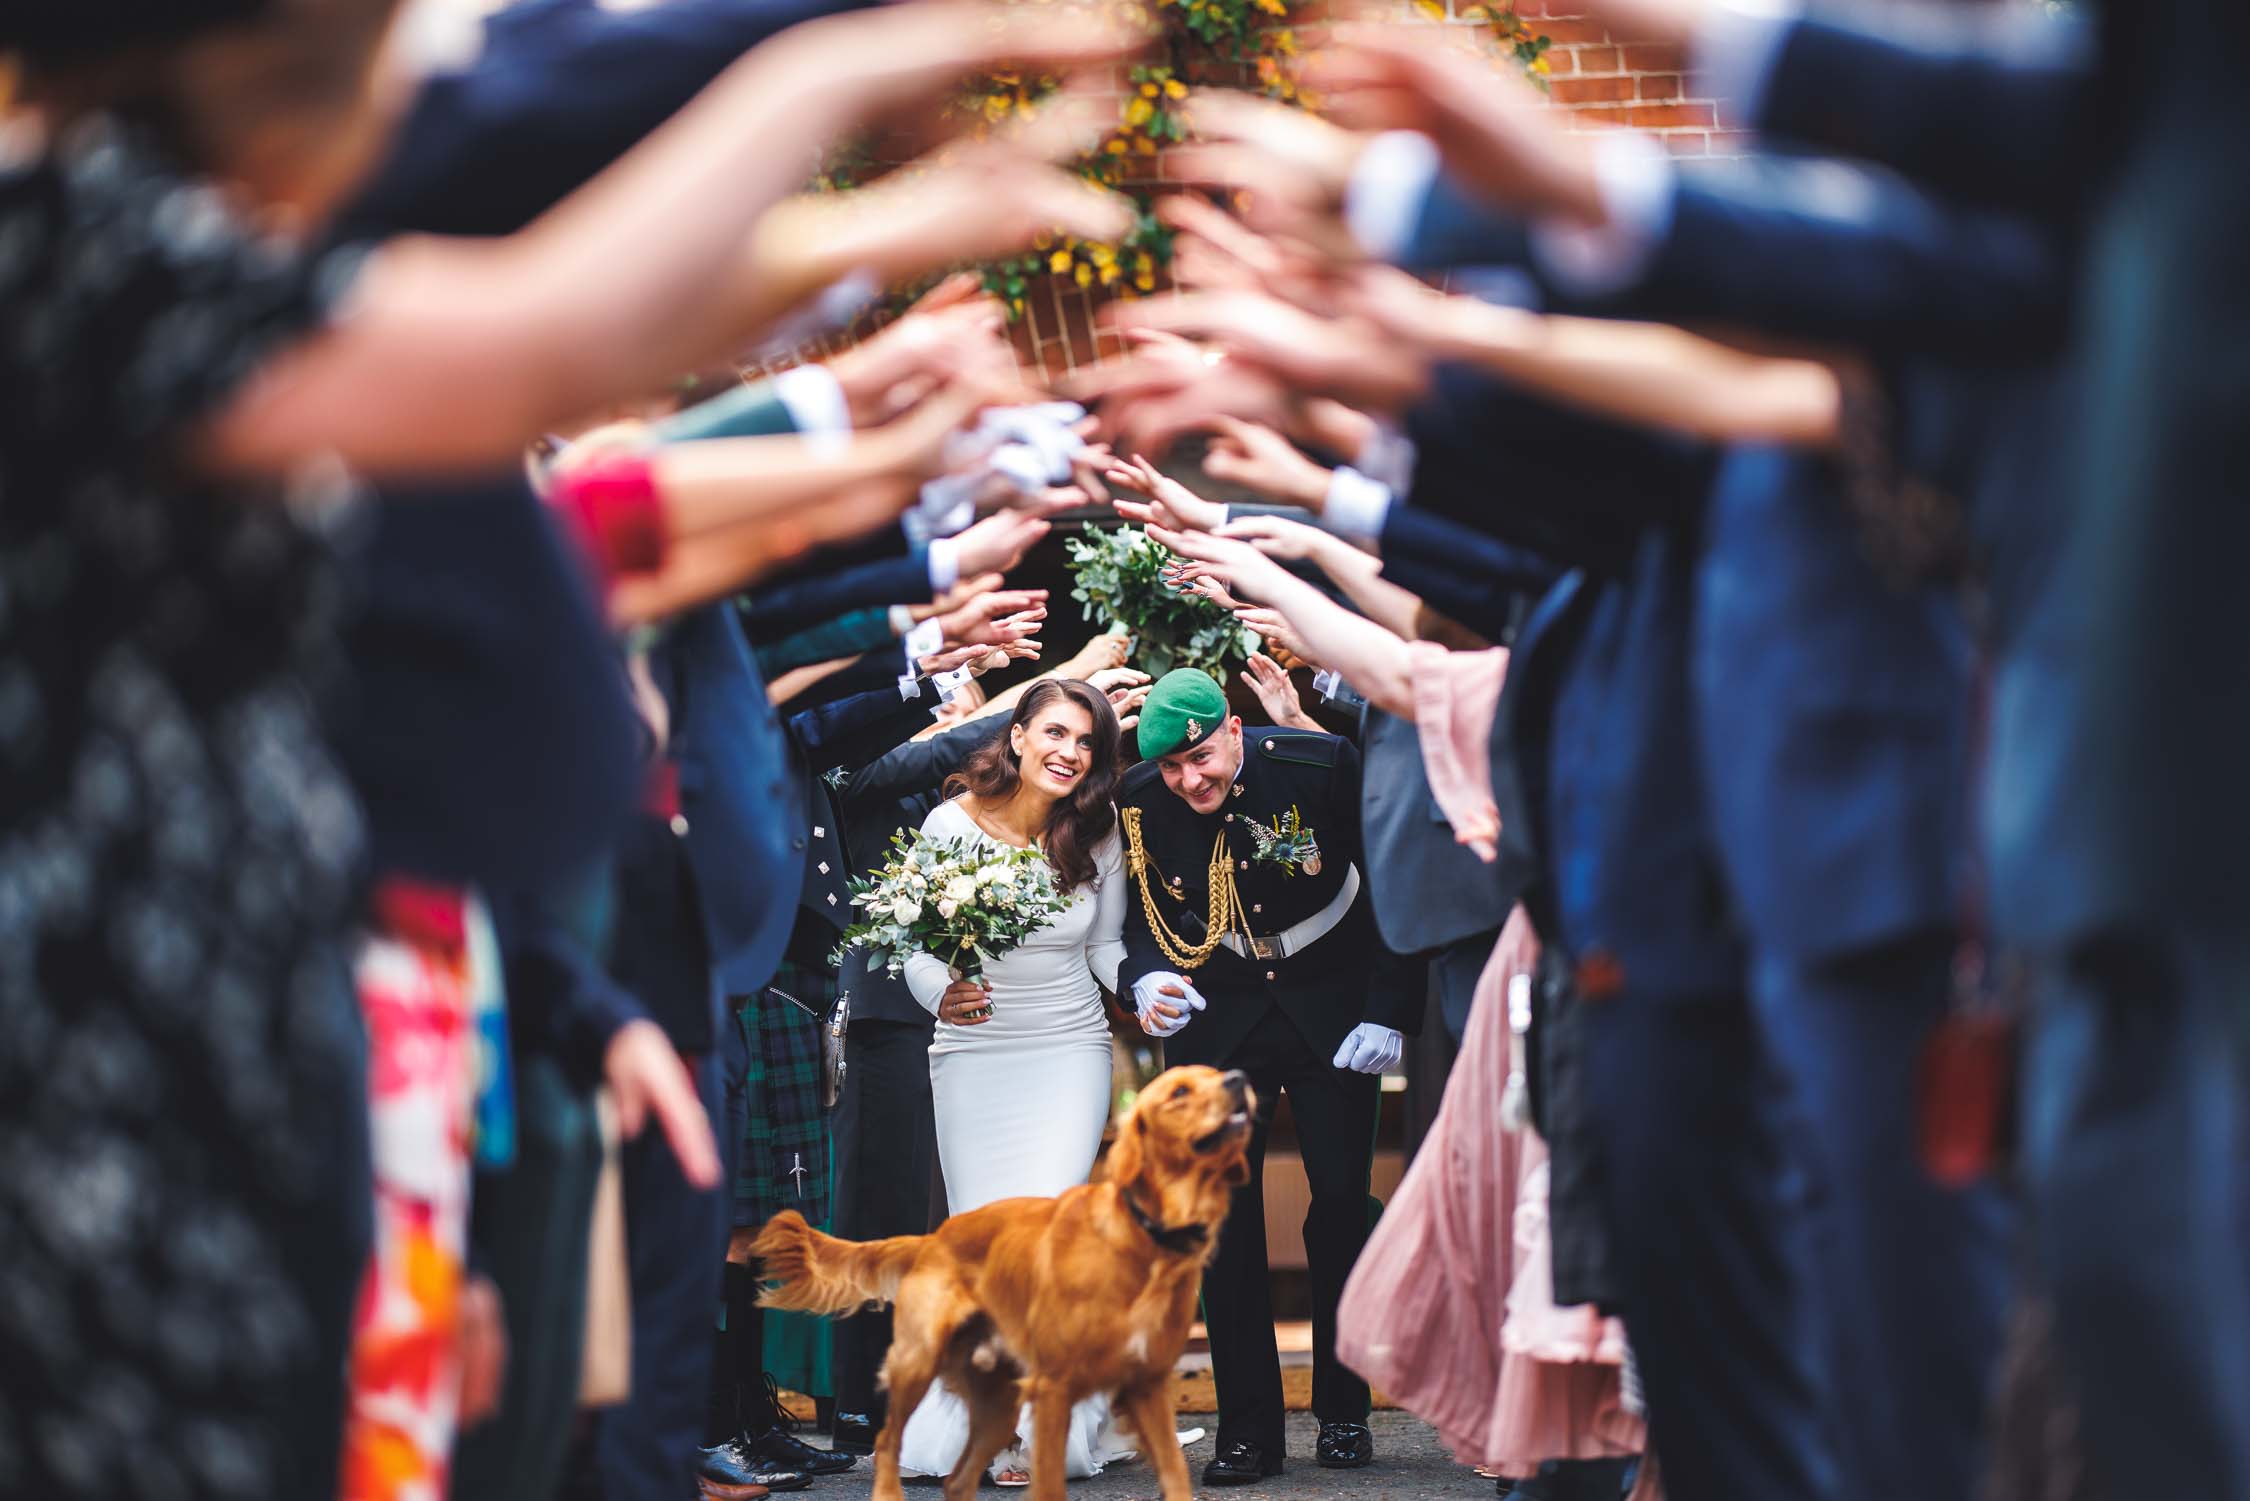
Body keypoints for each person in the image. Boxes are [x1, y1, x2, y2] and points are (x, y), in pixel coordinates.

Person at [1116, 668, 1416, 1484]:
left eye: (1202, 757)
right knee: (1223, 1224)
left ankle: (1346, 1410)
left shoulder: (1318, 765)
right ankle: (1247, 1427)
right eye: (1174, 768)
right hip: (1220, 1014)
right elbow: (1138, 908)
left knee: (1341, 1208)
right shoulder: (1139, 796)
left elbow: (1390, 878)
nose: (1191, 779)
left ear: (1235, 731)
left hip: (1333, 1007)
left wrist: (1390, 1008)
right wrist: (1143, 974)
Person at [892, 679, 1135, 1485]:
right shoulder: (947, 825)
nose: (1070, 752)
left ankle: (1048, 1424)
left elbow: (1105, 948)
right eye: (1057, 733)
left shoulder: (1098, 832)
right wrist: (940, 991)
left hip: (1069, 1050)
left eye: (1087, 742)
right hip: (974, 1055)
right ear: (1020, 734)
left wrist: (1141, 984)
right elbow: (912, 945)